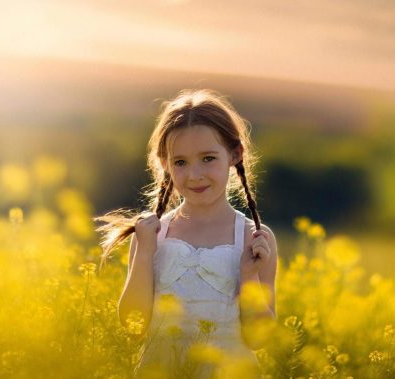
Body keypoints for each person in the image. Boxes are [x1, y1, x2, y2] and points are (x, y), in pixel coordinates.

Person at [95, 89, 277, 378]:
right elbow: (134, 324)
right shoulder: (152, 235)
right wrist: (144, 253)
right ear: (164, 164)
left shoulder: (254, 238)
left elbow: (259, 338)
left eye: (207, 158)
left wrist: (248, 276)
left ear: (235, 154)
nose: (194, 175)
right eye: (180, 162)